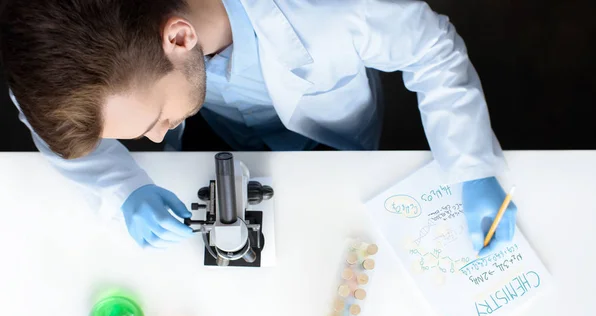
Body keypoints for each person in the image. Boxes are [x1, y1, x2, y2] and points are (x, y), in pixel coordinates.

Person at [0, 0, 516, 253]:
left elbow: (431, 49)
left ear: (179, 39)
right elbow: (41, 106)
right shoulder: (80, 42)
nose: (153, 140)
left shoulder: (331, 11)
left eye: (155, 120)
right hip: (211, 139)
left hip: (331, 141)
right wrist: (124, 187)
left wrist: (471, 164)